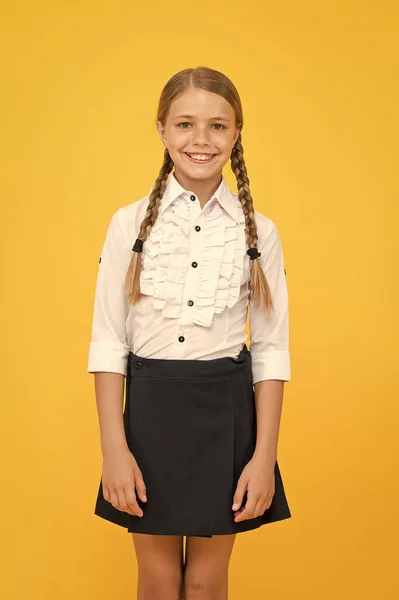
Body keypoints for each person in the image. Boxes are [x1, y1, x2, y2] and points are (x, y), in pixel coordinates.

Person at [87, 66, 292, 600]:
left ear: (236, 134)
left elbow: (270, 351)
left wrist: (263, 456)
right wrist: (115, 448)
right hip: (150, 413)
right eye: (185, 124)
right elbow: (109, 342)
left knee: (205, 583)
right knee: (157, 581)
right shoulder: (127, 225)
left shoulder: (258, 232)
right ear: (162, 130)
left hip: (225, 416)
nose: (201, 140)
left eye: (217, 126)